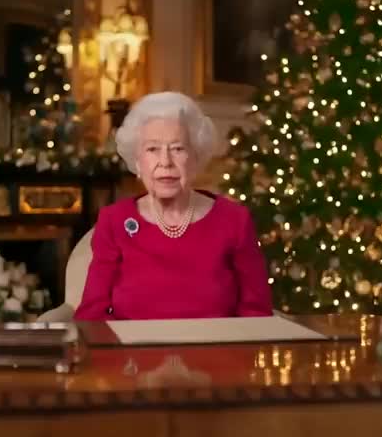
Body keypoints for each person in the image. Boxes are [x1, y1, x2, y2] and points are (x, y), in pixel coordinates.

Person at [74, 91, 273, 321]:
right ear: (138, 161)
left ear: (195, 158)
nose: (166, 162)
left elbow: (256, 314)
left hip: (215, 354)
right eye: (152, 149)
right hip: (133, 355)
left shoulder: (234, 221)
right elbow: (92, 316)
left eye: (178, 149)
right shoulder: (114, 221)